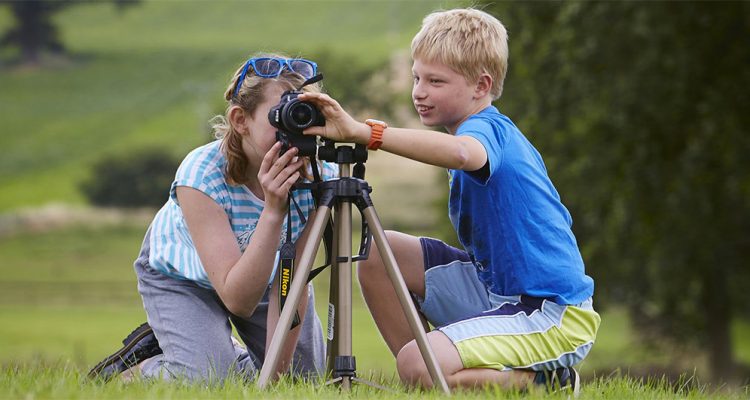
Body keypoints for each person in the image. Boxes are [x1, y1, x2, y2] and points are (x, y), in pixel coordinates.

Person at [299, 8, 600, 394]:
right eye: (417, 77)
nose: (420, 91)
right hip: (494, 292)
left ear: (481, 85)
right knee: (378, 254)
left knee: (417, 364)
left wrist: (366, 132)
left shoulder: (486, 129)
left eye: (436, 81)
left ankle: (548, 384)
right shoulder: (469, 128)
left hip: (551, 313)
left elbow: (463, 154)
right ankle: (428, 378)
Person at [88, 53, 337, 383]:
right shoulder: (201, 176)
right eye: (282, 116)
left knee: (303, 378)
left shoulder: (318, 176)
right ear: (240, 120)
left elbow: (294, 282)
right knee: (208, 377)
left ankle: (214, 351)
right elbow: (239, 301)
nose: (295, 129)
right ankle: (136, 373)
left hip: (263, 271)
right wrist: (274, 210)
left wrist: (275, 378)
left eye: (305, 115)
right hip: (182, 275)